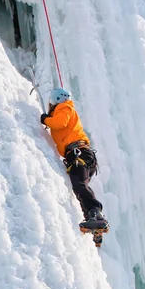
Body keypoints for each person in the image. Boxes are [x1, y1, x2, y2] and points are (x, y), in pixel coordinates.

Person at [40, 88, 108, 229]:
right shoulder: (67, 109)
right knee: (79, 186)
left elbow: (60, 123)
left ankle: (95, 213)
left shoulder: (64, 107)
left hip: (79, 153)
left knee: (79, 185)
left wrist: (45, 119)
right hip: (82, 155)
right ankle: (91, 218)